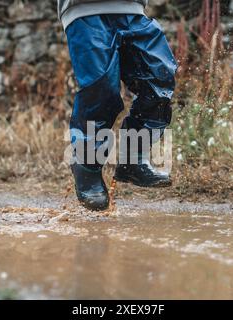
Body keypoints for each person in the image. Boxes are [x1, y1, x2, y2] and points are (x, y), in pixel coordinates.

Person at [58, 0, 177, 210]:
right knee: (101, 90)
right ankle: (87, 167)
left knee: (159, 78)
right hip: (85, 11)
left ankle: (133, 158)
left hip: (133, 10)